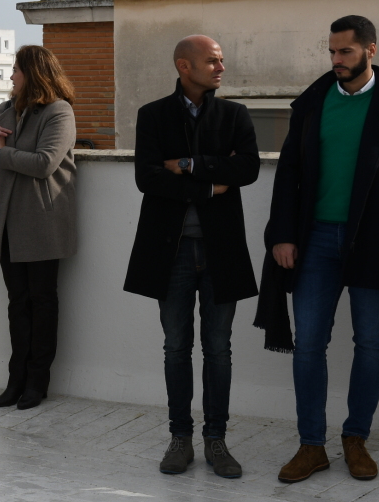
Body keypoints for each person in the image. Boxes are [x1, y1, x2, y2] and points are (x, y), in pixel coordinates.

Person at [259, 15, 379, 484]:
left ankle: (356, 439)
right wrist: (283, 235)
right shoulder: (313, 102)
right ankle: (311, 446)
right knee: (308, 344)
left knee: (371, 343)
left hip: (375, 244)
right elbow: (289, 172)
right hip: (314, 241)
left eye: (346, 52)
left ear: (370, 50)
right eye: (332, 52)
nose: (336, 60)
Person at [125, 35, 259, 479]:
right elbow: (146, 177)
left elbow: (248, 169)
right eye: (212, 61)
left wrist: (184, 164)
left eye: (222, 59)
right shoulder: (154, 115)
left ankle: (216, 440)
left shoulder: (234, 114)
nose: (221, 67)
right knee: (176, 347)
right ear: (185, 65)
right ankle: (180, 437)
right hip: (172, 252)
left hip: (221, 251)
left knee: (219, 349)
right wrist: (208, 183)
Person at [0, 44, 78, 412]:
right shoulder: (7, 109)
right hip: (5, 221)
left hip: (41, 222)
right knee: (16, 304)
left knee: (42, 302)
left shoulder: (59, 112)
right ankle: (15, 379)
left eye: (16, 70)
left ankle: (38, 382)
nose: (11, 76)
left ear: (33, 73)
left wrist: (3, 150)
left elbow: (44, 163)